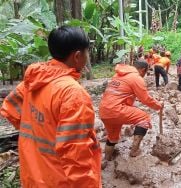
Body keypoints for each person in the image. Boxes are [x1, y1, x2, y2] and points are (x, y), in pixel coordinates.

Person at [0, 26, 101, 187]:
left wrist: (40, 132)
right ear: (77, 56)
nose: (87, 57)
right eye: (87, 52)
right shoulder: (72, 93)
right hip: (58, 180)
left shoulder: (34, 79)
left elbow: (10, 110)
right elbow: (76, 157)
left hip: (32, 176)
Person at [99, 60, 163, 160]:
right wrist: (158, 106)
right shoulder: (136, 78)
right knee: (144, 118)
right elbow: (145, 98)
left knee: (112, 138)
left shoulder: (118, 75)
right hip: (117, 110)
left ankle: (106, 159)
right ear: (142, 70)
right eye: (145, 73)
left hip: (104, 111)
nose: (144, 76)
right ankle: (134, 150)